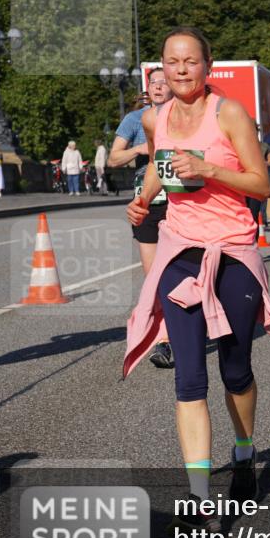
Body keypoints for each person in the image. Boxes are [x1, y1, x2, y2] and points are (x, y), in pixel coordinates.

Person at [123, 26, 270, 533]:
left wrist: (207, 168)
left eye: (191, 61)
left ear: (207, 66)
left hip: (231, 252)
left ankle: (245, 451)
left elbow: (261, 183)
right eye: (172, 61)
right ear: (160, 70)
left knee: (235, 370)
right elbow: (158, 162)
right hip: (180, 253)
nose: (181, 69)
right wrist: (143, 200)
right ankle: (197, 498)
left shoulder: (227, 112)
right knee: (189, 377)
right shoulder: (157, 116)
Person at [110, 67, 176, 368]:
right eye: (154, 83)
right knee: (155, 278)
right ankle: (165, 340)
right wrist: (141, 147)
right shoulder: (135, 120)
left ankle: (183, 329)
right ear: (147, 89)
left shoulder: (183, 116)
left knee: (180, 272)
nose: (159, 87)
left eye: (165, 82)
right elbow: (113, 159)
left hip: (180, 202)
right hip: (147, 202)